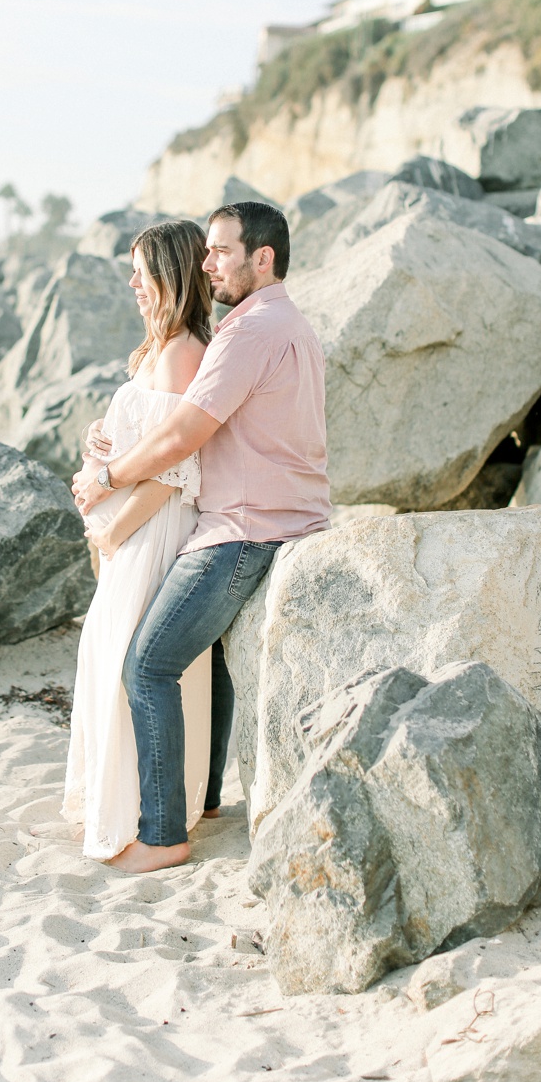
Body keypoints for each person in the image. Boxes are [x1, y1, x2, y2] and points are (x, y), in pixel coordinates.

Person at [73, 200, 330, 873]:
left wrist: (106, 475)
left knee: (150, 664)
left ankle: (163, 836)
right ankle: (207, 796)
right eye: (205, 253)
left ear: (262, 257)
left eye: (220, 251)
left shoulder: (245, 334)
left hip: (242, 530)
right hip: (280, 519)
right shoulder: (287, 325)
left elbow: (185, 435)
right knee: (207, 660)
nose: (207, 262)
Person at [62, 220, 214, 860]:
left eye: (141, 273)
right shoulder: (157, 348)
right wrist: (101, 442)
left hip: (152, 532)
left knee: (128, 660)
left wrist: (112, 526)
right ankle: (110, 800)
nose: (132, 284)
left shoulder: (185, 353)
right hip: (126, 530)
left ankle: (147, 817)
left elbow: (180, 470)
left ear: (169, 277)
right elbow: (142, 439)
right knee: (104, 654)